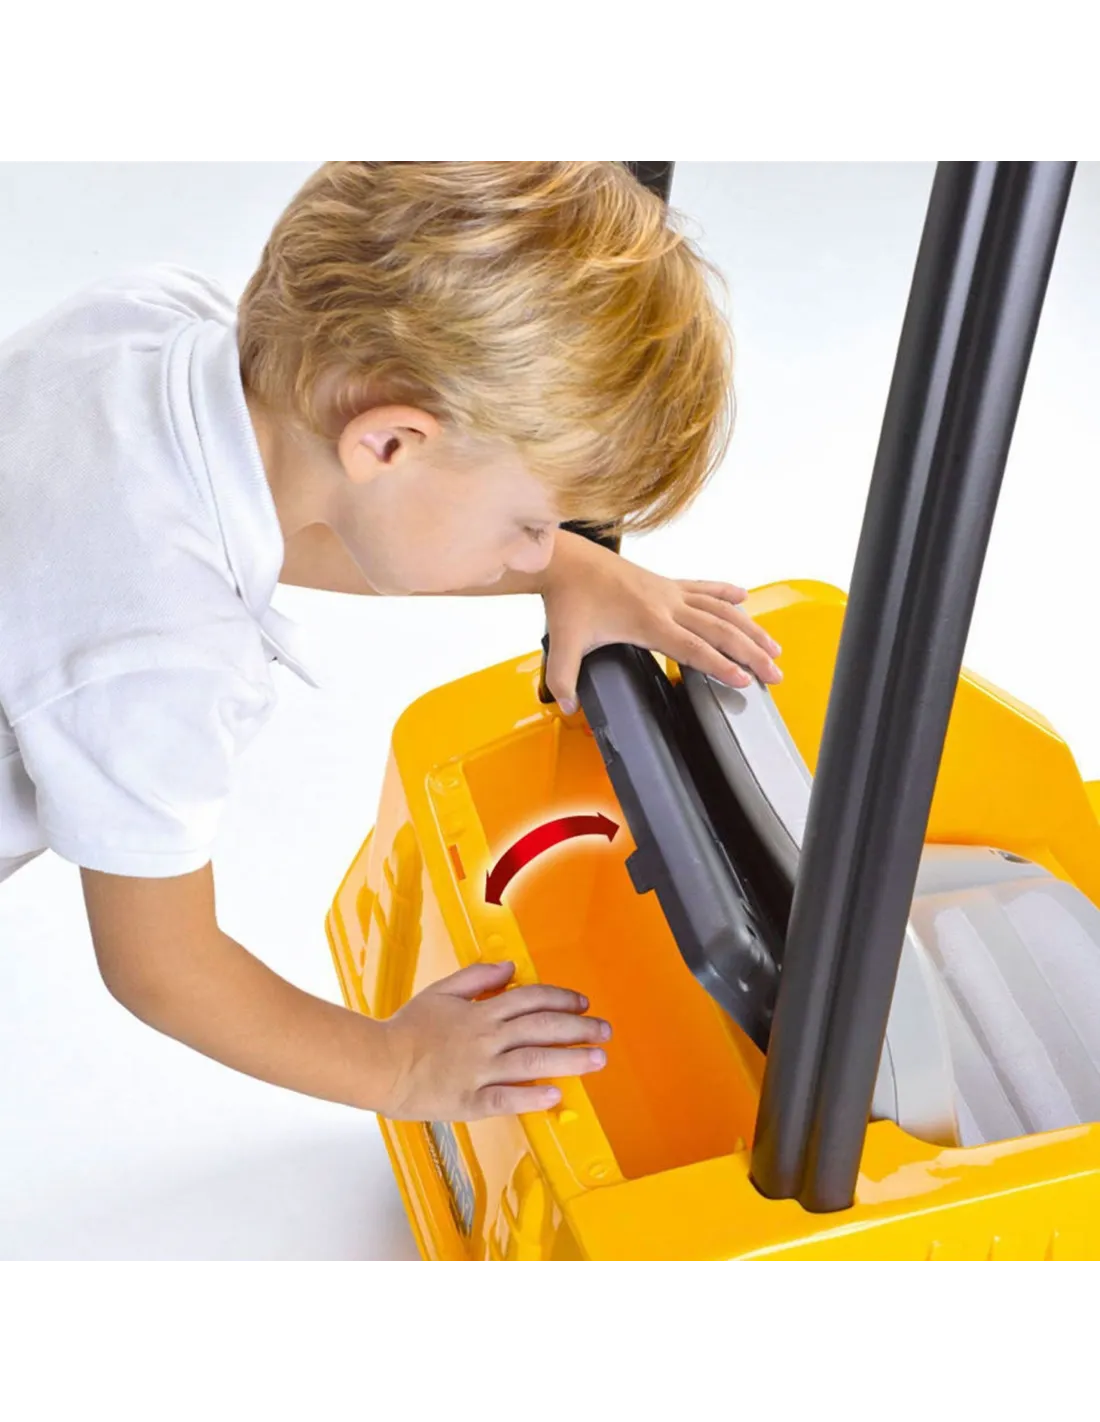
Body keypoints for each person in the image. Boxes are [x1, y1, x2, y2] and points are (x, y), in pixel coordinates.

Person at [0, 160, 782, 1125]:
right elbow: (163, 965)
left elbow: (276, 518)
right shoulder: (162, 657)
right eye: (533, 524)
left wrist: (568, 572)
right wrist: (399, 1068)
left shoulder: (147, 320)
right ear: (389, 444)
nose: (534, 550)